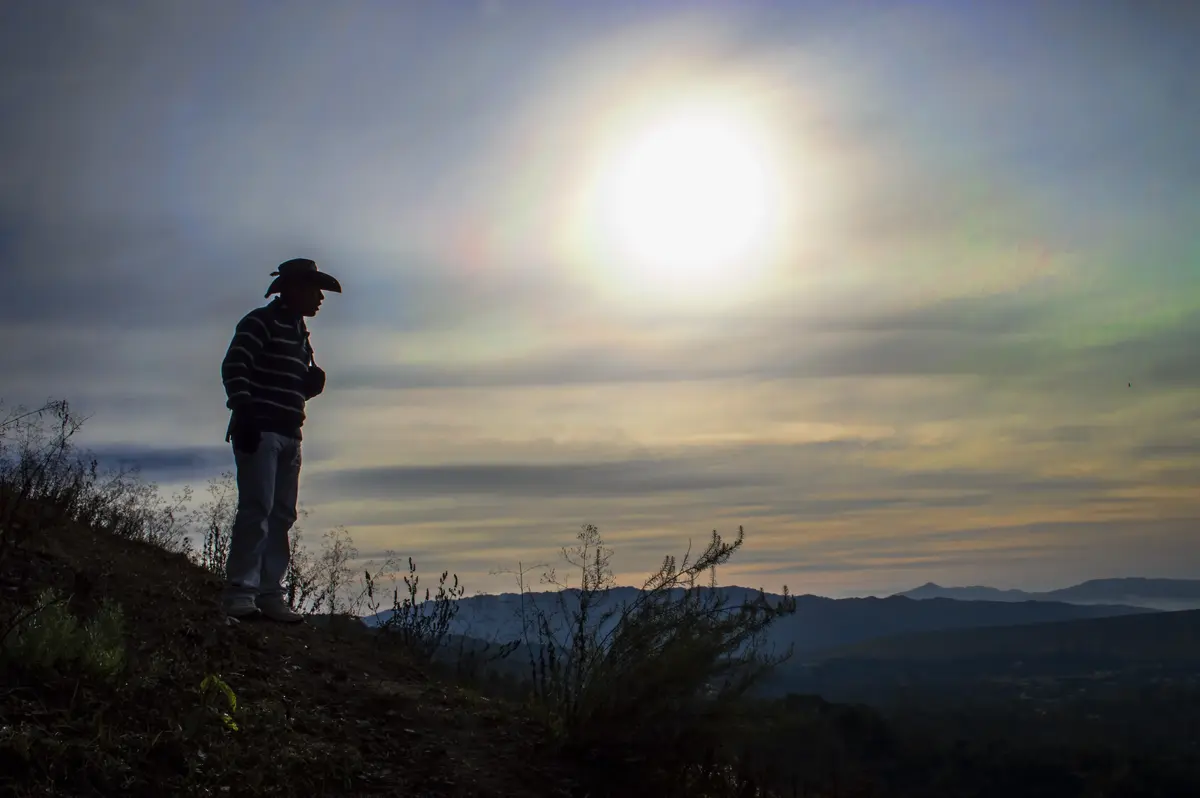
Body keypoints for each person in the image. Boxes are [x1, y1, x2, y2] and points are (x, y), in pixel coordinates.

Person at [219, 258, 342, 621]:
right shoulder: (261, 322)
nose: (320, 297)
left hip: (289, 432)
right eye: (314, 289)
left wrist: (306, 390)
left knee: (281, 515)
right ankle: (242, 591)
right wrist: (244, 412)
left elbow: (279, 384)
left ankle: (269, 593)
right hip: (262, 429)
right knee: (257, 510)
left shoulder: (299, 333)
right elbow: (235, 366)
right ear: (294, 289)